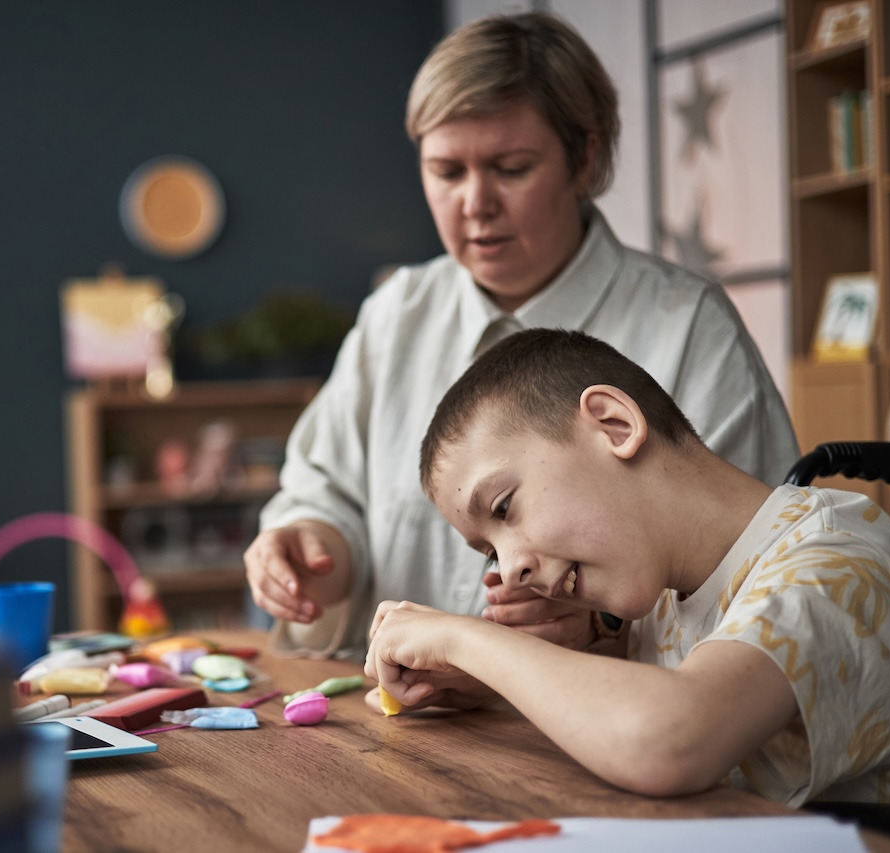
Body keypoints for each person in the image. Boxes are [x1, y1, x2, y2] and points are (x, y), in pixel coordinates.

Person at [245, 11, 798, 661]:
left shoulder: (688, 327)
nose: (475, 202)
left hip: (604, 740)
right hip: (400, 725)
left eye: (510, 168)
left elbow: (760, 574)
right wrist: (312, 547)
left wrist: (606, 627)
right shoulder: (395, 315)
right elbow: (324, 490)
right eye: (447, 172)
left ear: (583, 158)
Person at [366, 328, 890, 806]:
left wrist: (465, 640)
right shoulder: (669, 594)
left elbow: (670, 739)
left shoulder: (835, 563)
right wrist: (482, 682)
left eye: (503, 508)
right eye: (491, 552)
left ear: (615, 425)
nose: (511, 569)